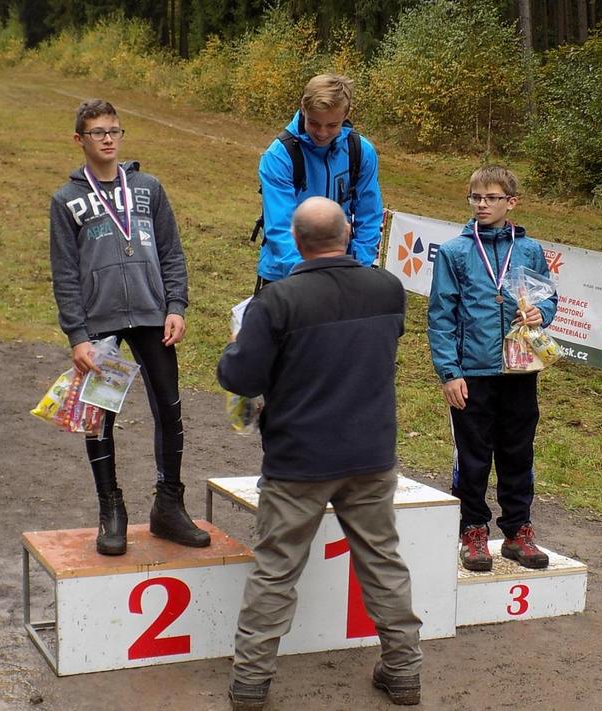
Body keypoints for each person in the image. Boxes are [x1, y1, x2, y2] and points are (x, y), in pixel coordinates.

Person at [218, 197, 422, 710]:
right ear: (348, 232)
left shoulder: (277, 302)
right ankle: (403, 672)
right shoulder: (388, 288)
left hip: (298, 461)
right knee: (383, 563)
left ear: (296, 240)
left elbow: (239, 378)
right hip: (370, 453)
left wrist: (241, 341)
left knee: (275, 570)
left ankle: (250, 683)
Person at [49, 99, 209, 556]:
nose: (108, 139)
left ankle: (169, 505)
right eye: (98, 132)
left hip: (151, 315)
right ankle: (111, 509)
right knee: (98, 417)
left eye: (114, 131)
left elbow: (172, 252)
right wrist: (77, 335)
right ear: (79, 139)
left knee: (169, 409)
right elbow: (64, 272)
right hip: (100, 324)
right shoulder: (66, 200)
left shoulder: (148, 188)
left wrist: (175, 305)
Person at [426, 165, 558, 572]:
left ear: (511, 202)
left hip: (519, 369)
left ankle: (518, 530)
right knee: (473, 455)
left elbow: (549, 297)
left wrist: (542, 312)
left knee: (518, 451)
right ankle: (473, 530)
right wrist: (450, 372)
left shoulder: (530, 249)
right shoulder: (455, 251)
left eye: (491, 198)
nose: (482, 204)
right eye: (475, 198)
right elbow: (441, 315)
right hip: (473, 372)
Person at [255, 73, 383, 291]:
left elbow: (369, 216)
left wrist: (358, 269)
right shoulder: (279, 156)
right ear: (303, 109)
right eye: (314, 123)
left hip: (344, 273)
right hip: (286, 275)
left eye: (332, 125)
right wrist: (311, 281)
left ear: (346, 114)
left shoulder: (361, 152)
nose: (322, 133)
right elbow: (279, 227)